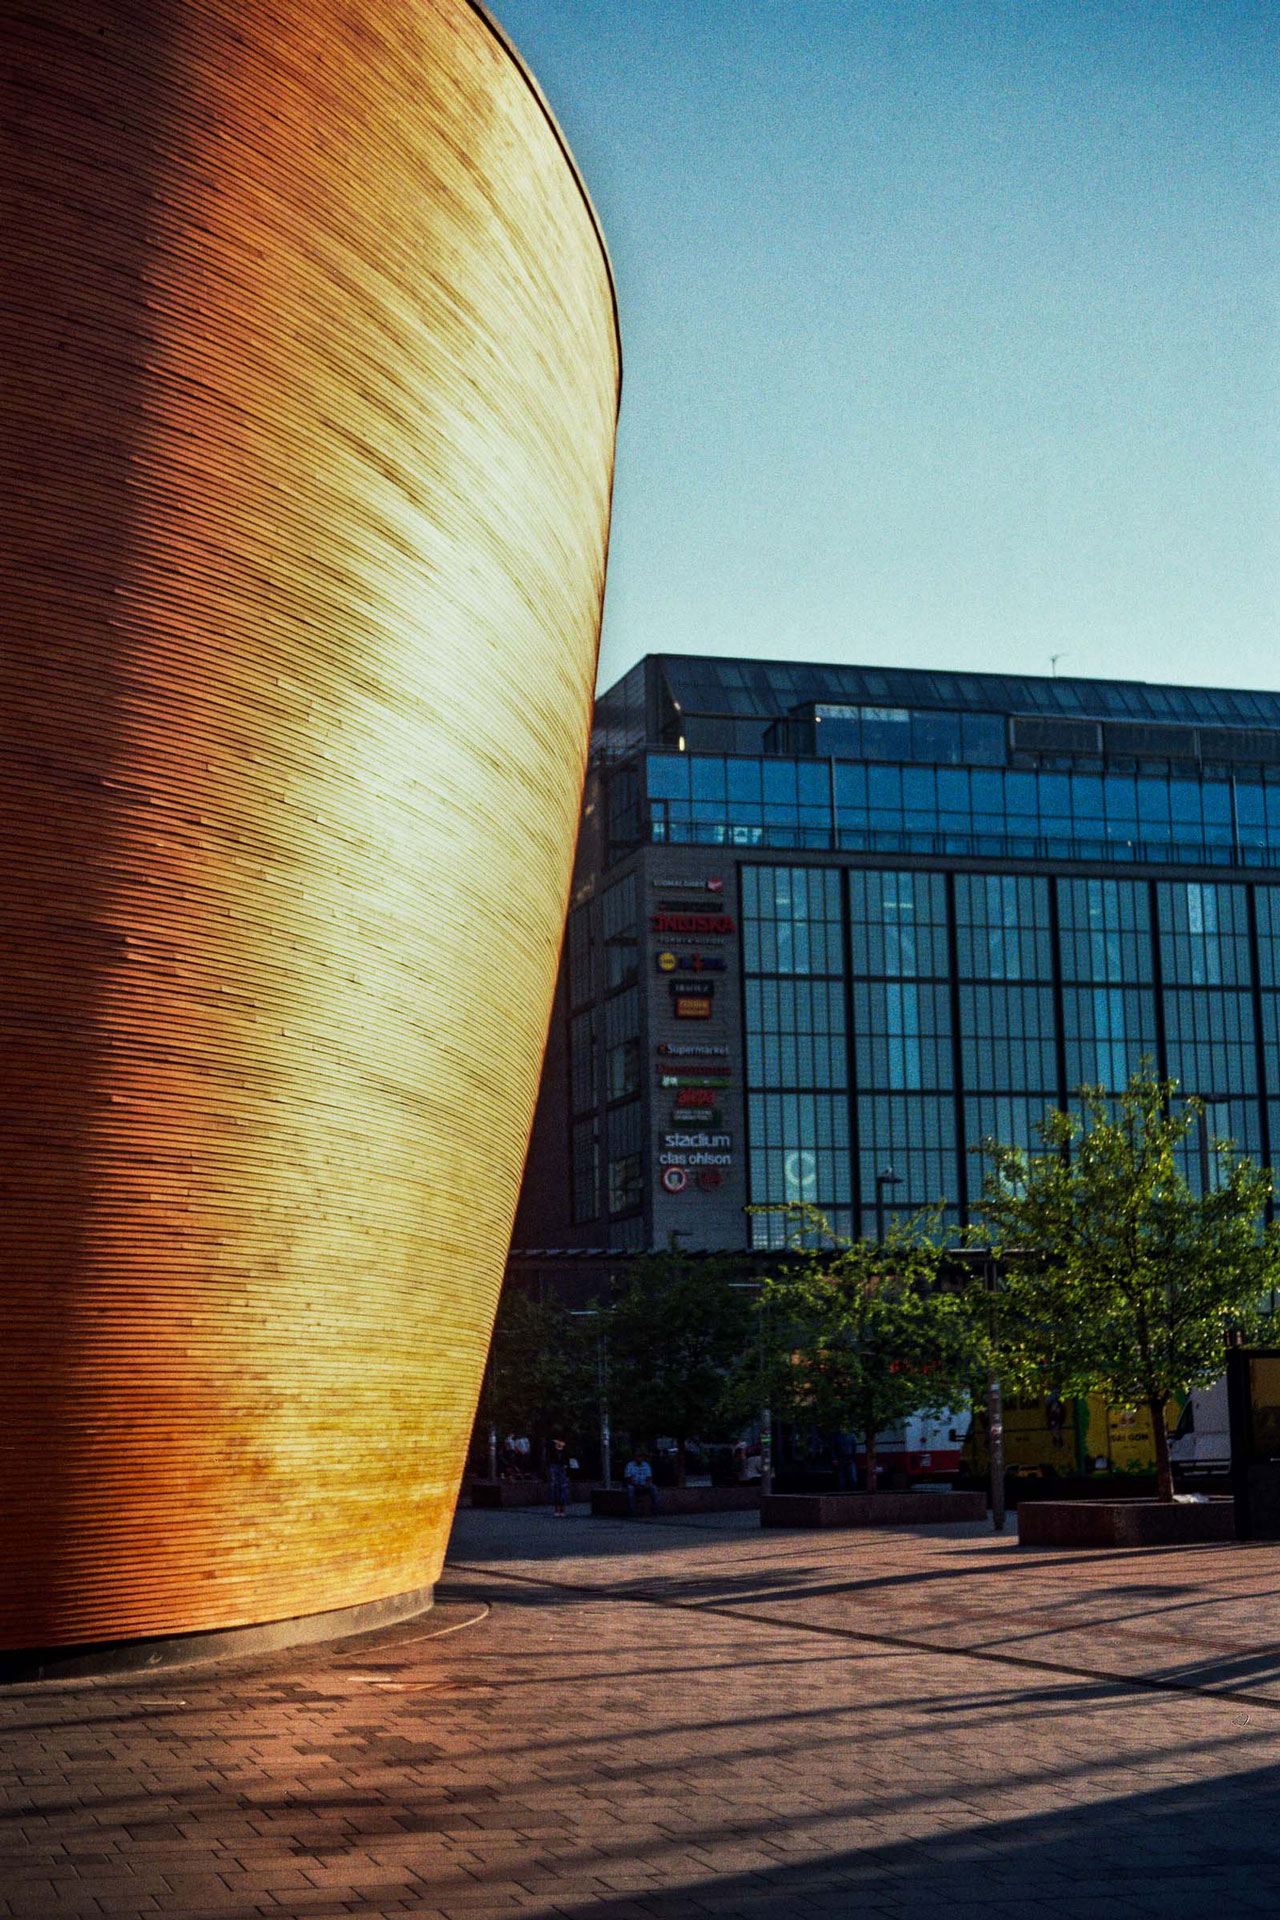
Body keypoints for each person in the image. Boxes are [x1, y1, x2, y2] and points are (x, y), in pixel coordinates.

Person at [624, 1447, 657, 1516]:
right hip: (633, 1484)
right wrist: (635, 1485)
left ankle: (655, 1508)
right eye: (638, 1457)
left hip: (644, 1484)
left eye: (641, 1457)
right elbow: (628, 1478)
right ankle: (632, 1510)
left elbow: (649, 1477)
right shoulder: (630, 1465)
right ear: (635, 1458)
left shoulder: (646, 1465)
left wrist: (647, 1484)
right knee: (630, 1490)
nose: (639, 1458)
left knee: (653, 1488)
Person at [547, 1432, 572, 1517]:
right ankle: (556, 1509)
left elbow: (568, 1460)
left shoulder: (565, 1450)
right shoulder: (552, 1449)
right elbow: (550, 1456)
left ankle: (562, 1509)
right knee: (555, 1488)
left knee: (563, 1488)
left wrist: (569, 1475)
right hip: (555, 1468)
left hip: (563, 1468)